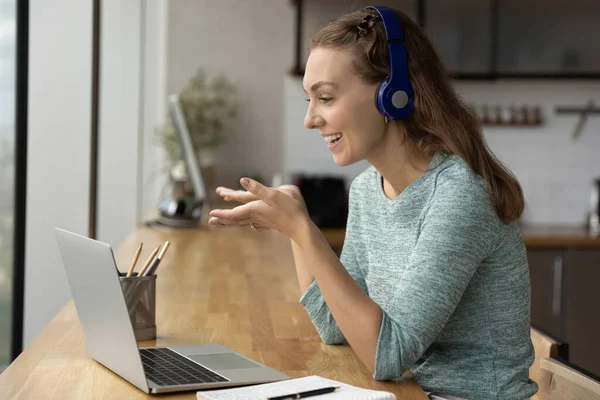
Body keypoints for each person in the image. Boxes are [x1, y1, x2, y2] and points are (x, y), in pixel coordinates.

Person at [208, 6, 538, 400]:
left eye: (326, 98)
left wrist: (303, 229)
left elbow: (387, 354)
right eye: (309, 100)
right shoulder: (368, 190)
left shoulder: (459, 196)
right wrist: (296, 226)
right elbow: (335, 326)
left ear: (393, 95)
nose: (310, 119)